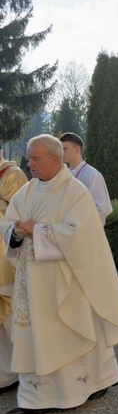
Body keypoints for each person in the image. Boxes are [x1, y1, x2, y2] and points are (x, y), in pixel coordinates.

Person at [0, 134, 118, 414]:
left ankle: (90, 384)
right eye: (29, 158)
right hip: (31, 281)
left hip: (65, 280)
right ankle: (36, 394)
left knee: (71, 329)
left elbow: (81, 235)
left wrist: (40, 231)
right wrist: (16, 231)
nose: (29, 164)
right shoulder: (28, 191)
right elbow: (8, 223)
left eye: (36, 158)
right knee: (38, 334)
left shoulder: (75, 192)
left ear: (56, 160)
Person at [0, 147, 28, 395]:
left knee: (7, 317)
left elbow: (16, 217)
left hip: (4, 259)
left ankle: (10, 374)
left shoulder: (13, 174)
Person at [60, 132, 113, 225]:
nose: (61, 152)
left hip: (87, 232)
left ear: (76, 150)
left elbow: (103, 208)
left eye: (64, 149)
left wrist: (78, 223)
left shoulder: (92, 175)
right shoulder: (64, 175)